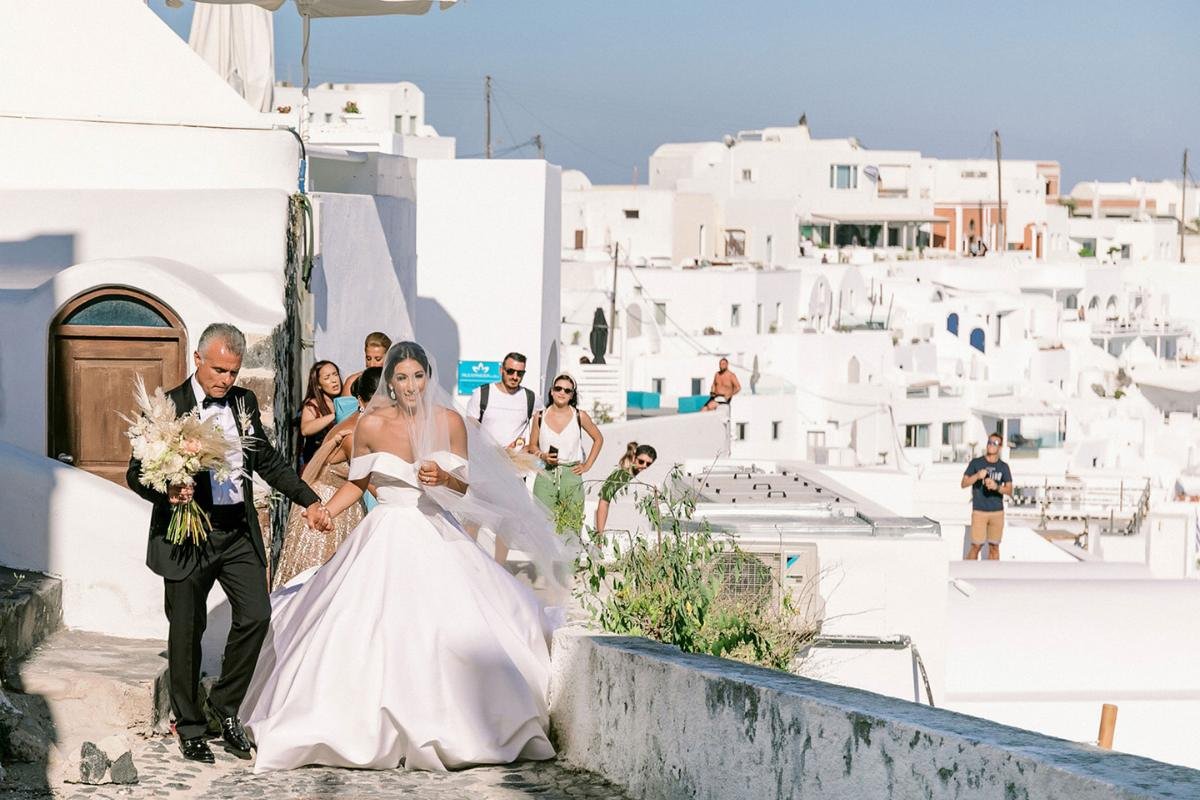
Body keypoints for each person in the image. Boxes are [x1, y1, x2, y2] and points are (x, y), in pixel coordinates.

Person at [240, 342, 574, 772]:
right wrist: (324, 510)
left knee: (448, 625)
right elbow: (357, 484)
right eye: (401, 377)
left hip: (434, 530)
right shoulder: (370, 424)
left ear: (428, 379)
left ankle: (452, 723)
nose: (411, 385)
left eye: (418, 376)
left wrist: (443, 479)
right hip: (385, 532)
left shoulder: (449, 421)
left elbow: (464, 489)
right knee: (358, 624)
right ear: (389, 382)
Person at [125, 323, 327, 765]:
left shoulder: (244, 402)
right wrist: (169, 490)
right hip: (189, 534)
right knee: (186, 631)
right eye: (219, 369)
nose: (226, 380)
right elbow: (134, 473)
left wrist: (308, 500)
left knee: (257, 614)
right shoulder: (167, 408)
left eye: (233, 372)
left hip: (237, 530)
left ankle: (226, 706)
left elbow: (266, 459)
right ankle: (191, 725)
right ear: (198, 359)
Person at [273, 367, 381, 590]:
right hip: (328, 502)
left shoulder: (363, 425)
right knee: (319, 580)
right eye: (377, 406)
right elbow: (368, 481)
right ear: (361, 401)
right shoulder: (352, 434)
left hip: (347, 500)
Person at [527, 373, 604, 534]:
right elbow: (532, 446)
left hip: (571, 473)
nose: (562, 392)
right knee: (542, 524)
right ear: (551, 391)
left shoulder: (579, 416)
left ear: (572, 395)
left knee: (572, 524)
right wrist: (543, 456)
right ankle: (544, 560)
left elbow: (598, 439)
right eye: (558, 388)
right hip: (545, 473)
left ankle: (570, 560)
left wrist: (587, 465)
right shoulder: (539, 416)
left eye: (567, 391)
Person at [465, 351, 540, 450]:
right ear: (501, 370)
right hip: (485, 459)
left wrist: (530, 446)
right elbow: (470, 430)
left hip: (516, 462)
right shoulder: (482, 393)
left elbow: (545, 423)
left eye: (520, 373)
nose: (515, 377)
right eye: (510, 371)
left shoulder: (530, 397)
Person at [961, 433, 1013, 560]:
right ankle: (967, 573)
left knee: (994, 547)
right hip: (979, 511)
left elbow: (1010, 490)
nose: (990, 445)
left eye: (994, 443)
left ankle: (994, 577)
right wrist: (977, 476)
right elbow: (963, 483)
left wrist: (997, 487)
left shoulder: (1003, 467)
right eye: (989, 442)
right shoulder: (976, 463)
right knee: (976, 546)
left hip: (997, 512)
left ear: (1000, 447)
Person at [594, 443, 657, 533]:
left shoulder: (645, 479)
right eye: (641, 461)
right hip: (614, 530)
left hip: (639, 533)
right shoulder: (618, 476)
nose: (644, 466)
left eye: (648, 464)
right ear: (634, 457)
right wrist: (600, 534)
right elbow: (603, 503)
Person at [297, 360, 341, 470]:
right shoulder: (312, 405)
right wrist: (335, 415)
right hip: (318, 465)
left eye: (335, 374)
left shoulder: (345, 400)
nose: (334, 380)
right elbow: (305, 429)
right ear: (319, 385)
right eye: (327, 378)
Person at [341, 331, 391, 398]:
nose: (372, 364)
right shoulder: (352, 382)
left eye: (378, 359)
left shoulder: (395, 381)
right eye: (368, 358)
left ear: (388, 357)